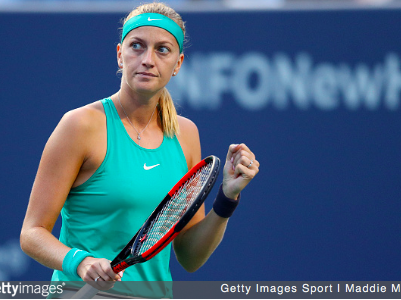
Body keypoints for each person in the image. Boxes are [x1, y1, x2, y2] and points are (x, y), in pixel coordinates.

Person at [20, 1, 259, 297]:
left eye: (162, 50)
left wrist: (227, 197)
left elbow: (189, 257)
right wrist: (80, 262)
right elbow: (32, 234)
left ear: (178, 64)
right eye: (136, 46)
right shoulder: (80, 126)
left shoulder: (186, 134)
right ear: (120, 55)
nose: (148, 59)